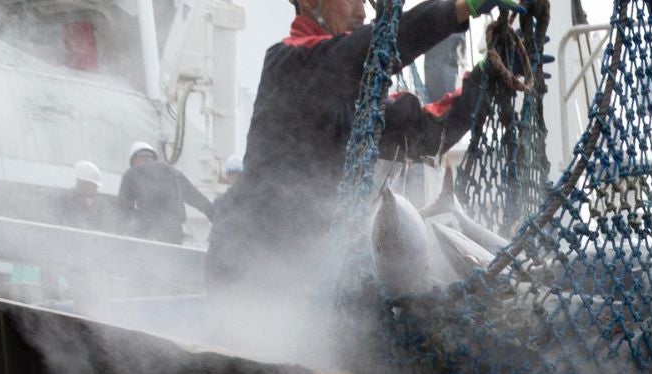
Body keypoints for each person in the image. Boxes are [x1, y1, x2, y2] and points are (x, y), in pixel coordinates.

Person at [206, 0, 488, 294]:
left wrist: (487, 77)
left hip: (309, 269)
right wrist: (459, 8)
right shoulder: (290, 61)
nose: (362, 12)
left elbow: (427, 133)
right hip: (250, 267)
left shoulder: (351, 99)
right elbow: (370, 48)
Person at [118, 141, 215, 244]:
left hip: (147, 231)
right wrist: (215, 217)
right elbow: (195, 197)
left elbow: (123, 209)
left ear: (135, 159)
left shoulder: (131, 173)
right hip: (173, 232)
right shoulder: (172, 172)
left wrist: (120, 232)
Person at [60, 160, 108, 229]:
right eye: (93, 186)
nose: (96, 190)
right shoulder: (66, 200)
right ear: (82, 183)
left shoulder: (93, 204)